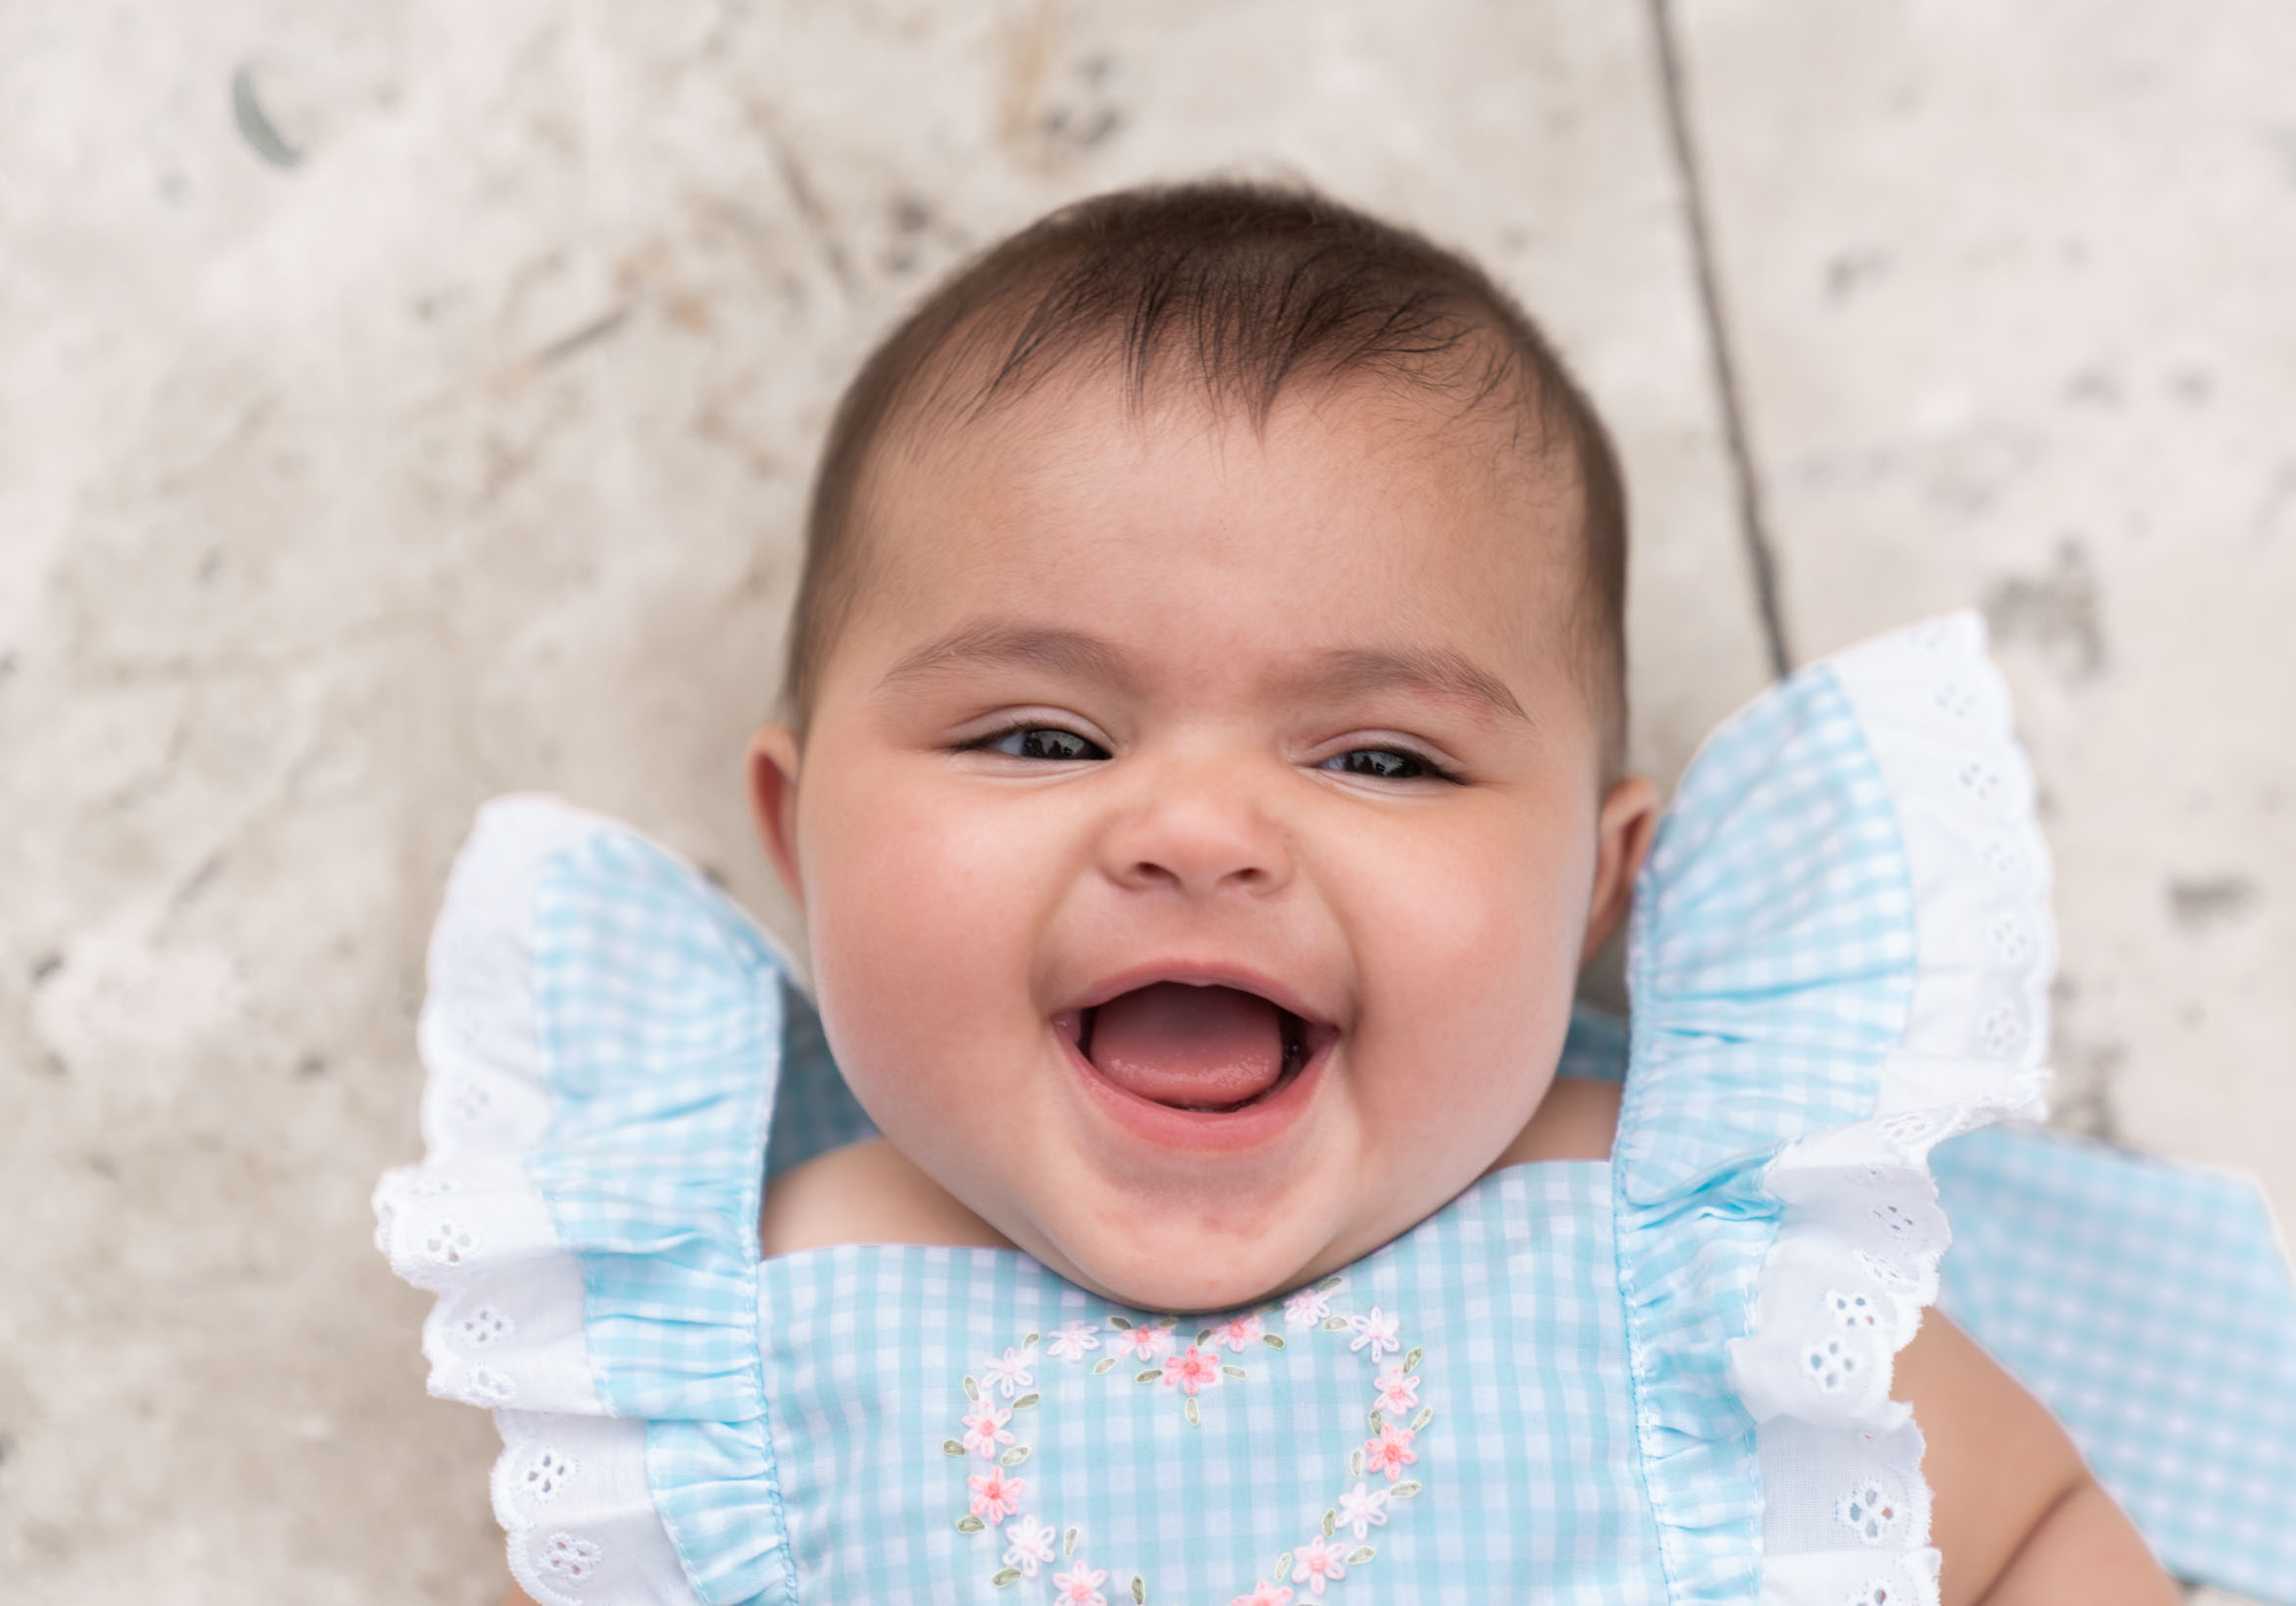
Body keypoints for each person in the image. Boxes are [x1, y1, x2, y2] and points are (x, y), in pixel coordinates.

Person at [400, 183, 2172, 1604]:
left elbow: (2028, 1540)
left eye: (1379, 757)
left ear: (1594, 891)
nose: (1198, 832)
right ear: (802, 840)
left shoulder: (1682, 1267)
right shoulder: (726, 1341)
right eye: (1036, 735)